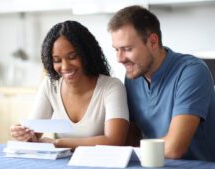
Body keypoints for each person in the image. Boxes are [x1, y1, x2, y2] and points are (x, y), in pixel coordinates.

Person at [108, 5, 215, 162]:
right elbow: (132, 136)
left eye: (127, 49)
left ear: (153, 42)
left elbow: (174, 148)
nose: (120, 58)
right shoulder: (133, 77)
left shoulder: (192, 71)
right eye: (116, 49)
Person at [10, 20, 129, 149]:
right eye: (57, 60)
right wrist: (22, 133)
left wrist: (57, 143)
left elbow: (114, 140)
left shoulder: (112, 87)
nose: (65, 67)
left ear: (86, 54)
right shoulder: (50, 85)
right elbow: (34, 136)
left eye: (72, 57)